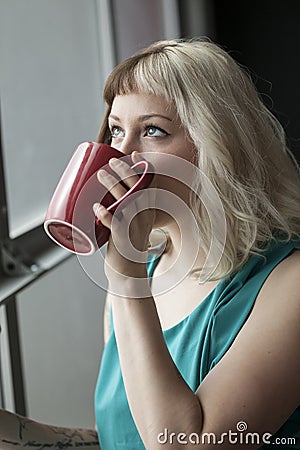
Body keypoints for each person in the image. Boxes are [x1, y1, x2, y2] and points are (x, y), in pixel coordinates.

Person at [1, 38, 300, 449]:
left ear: (218, 146)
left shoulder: (288, 283)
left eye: (153, 131)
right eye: (117, 129)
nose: (119, 154)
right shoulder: (143, 274)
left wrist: (124, 279)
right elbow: (123, 438)